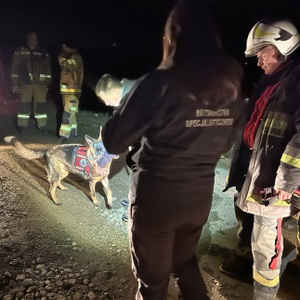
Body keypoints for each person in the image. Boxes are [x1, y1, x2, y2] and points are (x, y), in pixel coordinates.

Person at [101, 0, 244, 298]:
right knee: (185, 262)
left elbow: (113, 141)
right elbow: (228, 142)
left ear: (174, 37)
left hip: (157, 200)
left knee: (153, 282)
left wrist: (121, 103)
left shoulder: (159, 82)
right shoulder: (232, 86)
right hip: (198, 197)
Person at [219, 18, 300, 299]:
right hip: (255, 171)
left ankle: (264, 294)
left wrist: (286, 182)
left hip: (276, 182)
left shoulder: (296, 83)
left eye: (261, 53)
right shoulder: (271, 82)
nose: (258, 61)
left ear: (279, 47)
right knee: (253, 231)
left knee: (267, 240)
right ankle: (247, 265)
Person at [10, 31, 52, 133]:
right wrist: (14, 83)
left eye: (35, 38)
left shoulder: (43, 52)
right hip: (25, 83)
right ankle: (22, 126)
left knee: (41, 106)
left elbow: (48, 68)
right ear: (27, 38)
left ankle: (42, 126)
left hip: (40, 85)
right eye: (31, 38)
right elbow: (14, 68)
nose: (33, 40)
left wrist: (48, 83)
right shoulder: (19, 51)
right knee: (24, 105)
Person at [58, 39, 84, 144]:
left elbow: (66, 65)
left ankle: (64, 136)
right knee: (71, 112)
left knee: (67, 113)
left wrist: (61, 57)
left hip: (72, 91)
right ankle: (73, 132)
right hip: (67, 91)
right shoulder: (72, 57)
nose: (62, 49)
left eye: (64, 47)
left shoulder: (76, 58)